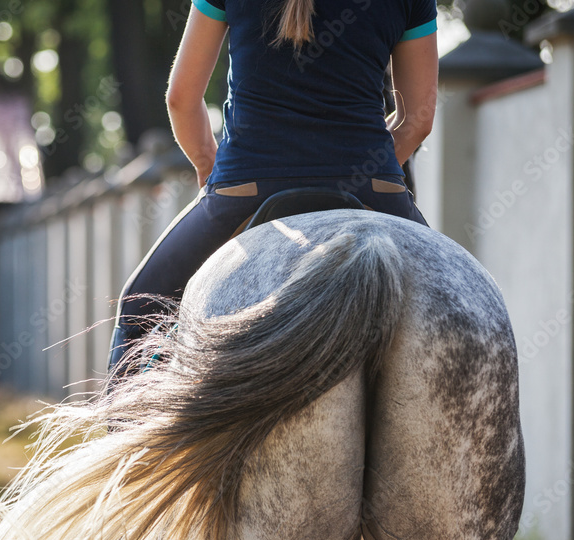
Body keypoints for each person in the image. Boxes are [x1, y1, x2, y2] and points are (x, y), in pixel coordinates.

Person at [107, 0, 438, 377]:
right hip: (371, 187)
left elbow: (181, 99)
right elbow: (419, 118)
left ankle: (130, 432)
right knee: (451, 300)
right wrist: (370, 167)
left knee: (139, 308)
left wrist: (210, 167)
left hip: (247, 186)